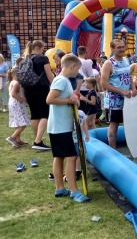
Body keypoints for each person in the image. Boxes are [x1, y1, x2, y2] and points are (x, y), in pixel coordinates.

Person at [46, 54, 90, 202]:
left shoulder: (63, 81)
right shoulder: (62, 80)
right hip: (60, 127)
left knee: (58, 157)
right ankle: (74, 190)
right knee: (71, 157)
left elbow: (71, 100)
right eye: (77, 68)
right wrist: (68, 100)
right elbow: (50, 99)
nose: (77, 72)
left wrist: (73, 101)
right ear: (72, 66)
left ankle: (60, 188)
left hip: (58, 126)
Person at [100, 39, 137, 149]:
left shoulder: (126, 60)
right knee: (114, 124)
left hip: (128, 99)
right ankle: (113, 148)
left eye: (123, 47)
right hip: (113, 101)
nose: (122, 49)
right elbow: (104, 84)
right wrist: (122, 91)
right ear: (112, 49)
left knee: (130, 123)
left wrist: (133, 88)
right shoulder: (108, 63)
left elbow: (128, 75)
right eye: (119, 47)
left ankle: (134, 146)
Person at [22, 40, 54, 150]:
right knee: (45, 114)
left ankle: (37, 138)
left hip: (28, 89)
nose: (43, 51)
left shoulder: (25, 59)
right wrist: (55, 86)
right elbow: (49, 76)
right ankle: (38, 141)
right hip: (41, 87)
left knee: (35, 114)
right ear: (37, 48)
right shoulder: (43, 59)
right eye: (42, 49)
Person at [5, 68, 29, 147]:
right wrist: (22, 99)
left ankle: (17, 140)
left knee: (18, 122)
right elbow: (13, 94)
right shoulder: (16, 83)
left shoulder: (12, 82)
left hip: (13, 104)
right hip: (17, 104)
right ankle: (12, 137)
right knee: (23, 123)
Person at [77, 46, 94, 113]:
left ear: (77, 52)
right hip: (85, 87)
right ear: (85, 53)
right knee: (84, 108)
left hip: (75, 87)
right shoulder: (87, 62)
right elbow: (91, 76)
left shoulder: (74, 61)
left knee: (77, 106)